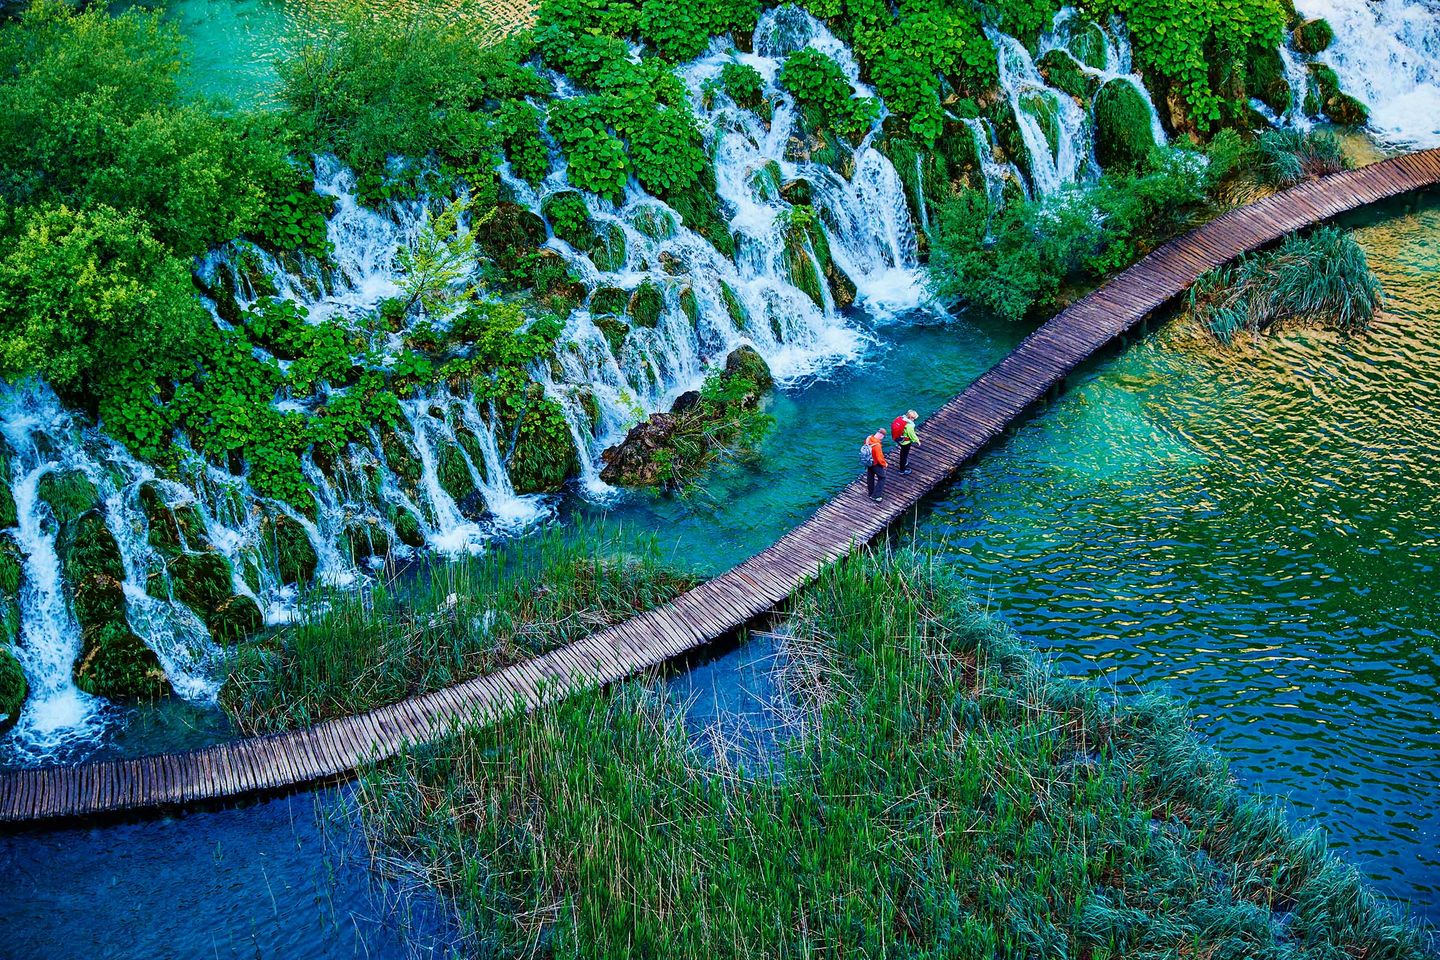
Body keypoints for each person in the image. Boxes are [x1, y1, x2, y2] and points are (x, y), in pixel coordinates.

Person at [890, 409, 921, 475]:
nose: (914, 420)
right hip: (905, 442)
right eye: (914, 419)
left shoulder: (900, 418)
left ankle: (904, 463)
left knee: (903, 453)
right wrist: (917, 441)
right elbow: (912, 435)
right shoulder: (909, 425)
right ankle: (902, 470)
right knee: (903, 455)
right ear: (911, 418)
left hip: (898, 439)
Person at [863, 429, 887, 502]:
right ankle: (876, 496)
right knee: (882, 477)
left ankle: (870, 493)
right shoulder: (877, 445)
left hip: (868, 461)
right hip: (875, 463)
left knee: (870, 477)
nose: (882, 438)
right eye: (883, 437)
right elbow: (879, 458)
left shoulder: (868, 438)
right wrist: (884, 464)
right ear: (881, 435)